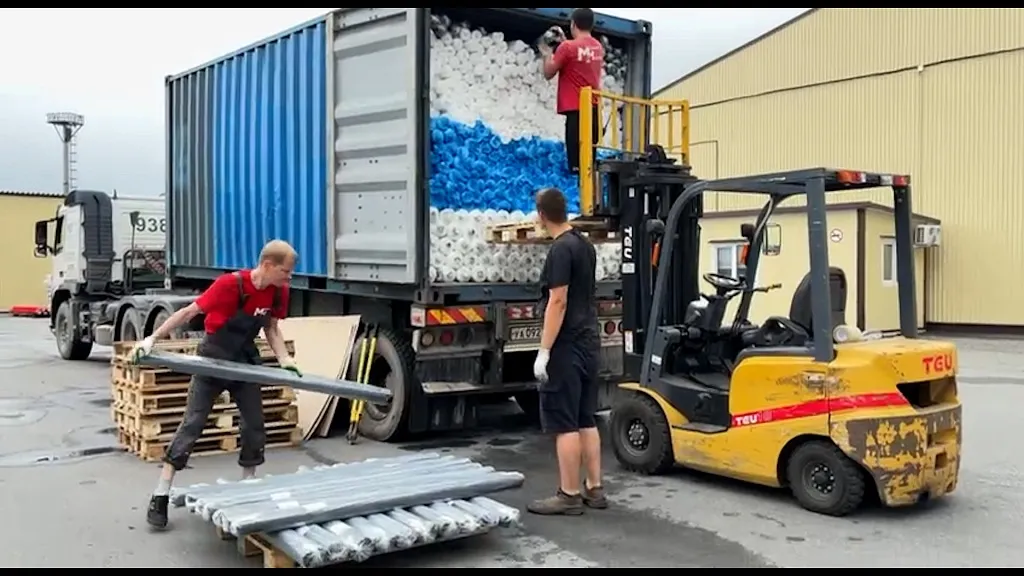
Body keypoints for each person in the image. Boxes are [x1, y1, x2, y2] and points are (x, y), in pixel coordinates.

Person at [132, 239, 303, 529]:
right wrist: (152, 339)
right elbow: (189, 312)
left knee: (254, 424)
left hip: (245, 359)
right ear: (267, 265)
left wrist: (285, 359)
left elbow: (271, 328)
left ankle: (248, 487)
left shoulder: (278, 291)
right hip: (212, 357)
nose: (289, 277)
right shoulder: (229, 285)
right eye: (286, 271)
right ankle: (161, 493)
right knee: (193, 423)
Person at [527, 187, 605, 516]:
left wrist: (544, 351)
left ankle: (569, 494)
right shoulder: (584, 244)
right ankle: (594, 488)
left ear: (541, 215)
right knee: (586, 417)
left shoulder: (560, 249)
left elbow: (558, 301)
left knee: (565, 422)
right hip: (589, 341)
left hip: (567, 345)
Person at [538, 7, 605, 175]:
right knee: (588, 166)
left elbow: (548, 73)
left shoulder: (567, 47)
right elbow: (580, 55)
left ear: (573, 24)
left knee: (576, 166)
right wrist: (564, 42)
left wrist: (546, 53)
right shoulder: (598, 47)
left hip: (576, 112)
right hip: (593, 111)